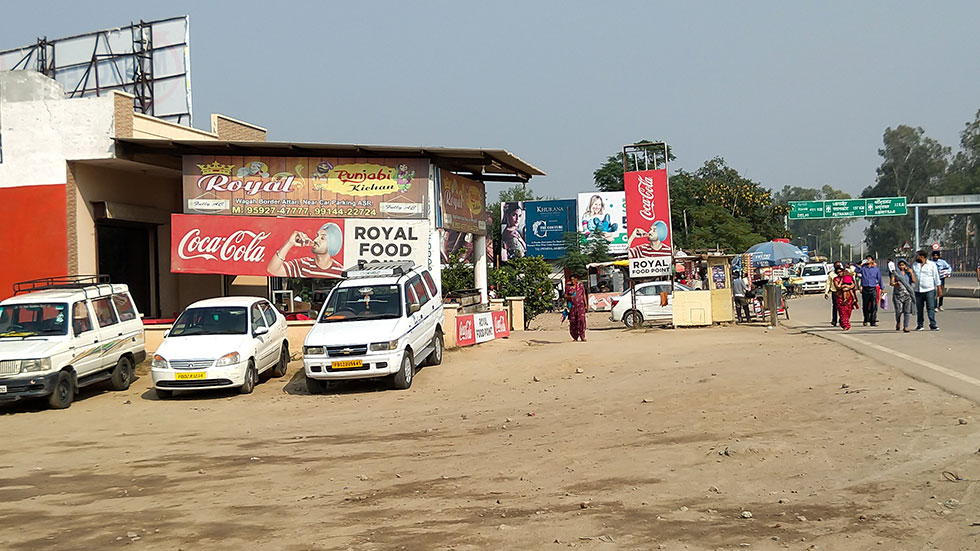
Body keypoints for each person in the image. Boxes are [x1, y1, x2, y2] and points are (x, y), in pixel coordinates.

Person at [267, 223, 344, 278]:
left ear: (333, 243)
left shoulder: (341, 271)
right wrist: (289, 243)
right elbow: (272, 269)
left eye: (322, 238)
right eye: (317, 236)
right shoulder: (303, 265)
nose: (316, 240)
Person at [911, 249, 942, 331]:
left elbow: (936, 277)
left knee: (930, 308)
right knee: (919, 309)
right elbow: (912, 277)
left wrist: (939, 289)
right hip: (918, 290)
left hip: (929, 290)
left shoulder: (931, 265)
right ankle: (920, 324)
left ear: (922, 256)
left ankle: (933, 324)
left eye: (917, 256)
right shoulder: (915, 265)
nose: (915, 257)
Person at [890, 259, 916, 333]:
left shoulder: (908, 273)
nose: (902, 266)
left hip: (907, 294)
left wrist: (911, 273)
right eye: (900, 265)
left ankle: (906, 326)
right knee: (898, 311)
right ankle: (898, 322)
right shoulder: (895, 273)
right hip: (898, 295)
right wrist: (895, 284)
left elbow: (914, 281)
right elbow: (891, 282)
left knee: (907, 311)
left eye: (903, 265)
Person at [856, 256, 882, 326]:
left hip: (873, 288)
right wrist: (861, 265)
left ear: (873, 261)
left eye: (869, 259)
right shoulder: (863, 269)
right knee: (865, 305)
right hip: (865, 288)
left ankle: (872, 321)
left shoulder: (876, 269)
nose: (868, 260)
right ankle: (866, 318)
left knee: (874, 305)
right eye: (867, 259)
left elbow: (879, 279)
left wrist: (882, 288)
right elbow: (856, 270)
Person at [834, 266, 858, 331]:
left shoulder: (847, 278)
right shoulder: (836, 279)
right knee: (842, 311)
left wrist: (848, 287)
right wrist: (842, 282)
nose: (839, 273)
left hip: (849, 297)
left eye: (840, 272)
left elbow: (853, 285)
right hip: (840, 297)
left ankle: (844, 321)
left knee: (848, 311)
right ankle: (846, 325)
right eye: (838, 272)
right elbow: (838, 287)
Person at [564, 275, 587, 341]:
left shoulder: (580, 286)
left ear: (576, 279)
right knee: (573, 322)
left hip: (581, 306)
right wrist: (569, 297)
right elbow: (565, 296)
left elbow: (584, 295)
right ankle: (575, 337)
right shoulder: (568, 287)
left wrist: (586, 304)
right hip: (572, 307)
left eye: (574, 279)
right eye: (571, 280)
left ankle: (582, 336)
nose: (573, 281)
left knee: (582, 321)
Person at [824, 261, 842, 327]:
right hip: (834, 292)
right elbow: (828, 283)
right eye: (837, 265)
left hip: (842, 292)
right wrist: (826, 292)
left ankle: (842, 319)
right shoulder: (831, 274)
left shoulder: (843, 273)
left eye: (839, 265)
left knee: (842, 307)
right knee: (835, 307)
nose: (838, 266)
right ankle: (834, 320)